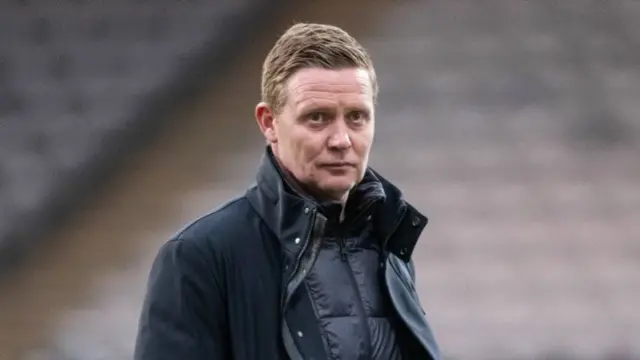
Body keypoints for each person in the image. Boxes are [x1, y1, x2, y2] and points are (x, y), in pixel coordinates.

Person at [133, 22, 441, 360]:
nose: (341, 140)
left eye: (357, 117)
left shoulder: (390, 247)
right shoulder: (199, 257)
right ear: (269, 123)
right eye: (317, 118)